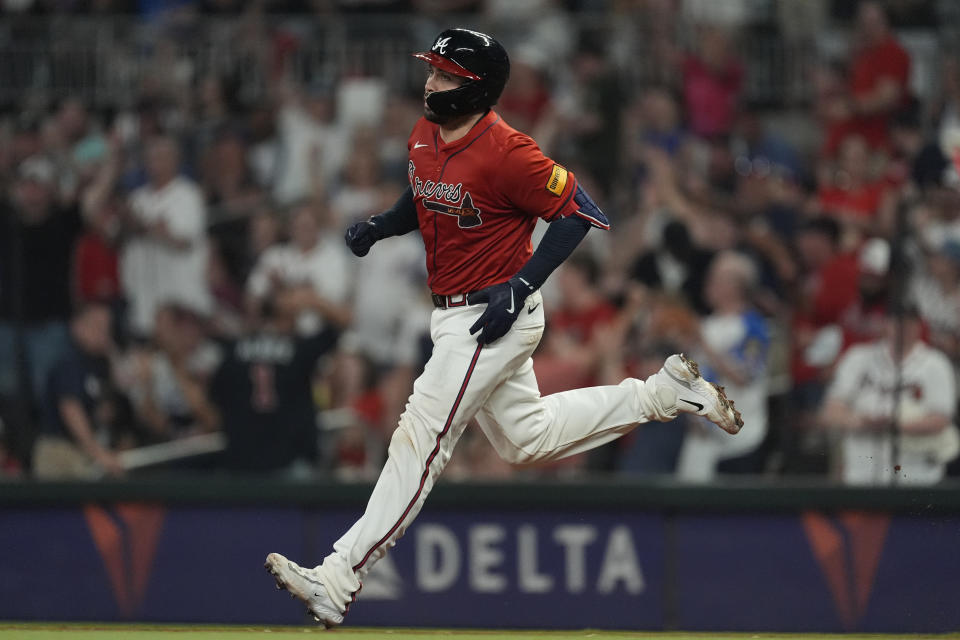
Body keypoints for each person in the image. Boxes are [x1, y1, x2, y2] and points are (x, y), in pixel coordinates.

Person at [264, 28, 742, 628]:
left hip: (493, 313)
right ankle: (659, 394)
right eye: (432, 71)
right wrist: (382, 226)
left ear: (476, 87)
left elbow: (580, 213)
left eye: (444, 75)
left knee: (421, 435)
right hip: (452, 312)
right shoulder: (424, 134)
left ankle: (339, 576)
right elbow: (425, 195)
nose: (430, 82)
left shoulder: (509, 149)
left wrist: (521, 287)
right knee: (526, 440)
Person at [819, 304, 958, 485]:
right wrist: (862, 421)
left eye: (908, 322)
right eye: (897, 321)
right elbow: (830, 412)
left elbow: (940, 420)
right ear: (886, 323)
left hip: (917, 473)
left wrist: (892, 424)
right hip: (861, 471)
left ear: (918, 325)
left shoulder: (935, 363)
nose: (902, 327)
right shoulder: (858, 358)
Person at [32, 302, 124, 479]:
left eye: (107, 327)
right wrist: (97, 452)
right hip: (60, 451)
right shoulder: (69, 362)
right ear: (78, 326)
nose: (103, 332)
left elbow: (107, 409)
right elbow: (71, 410)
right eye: (97, 326)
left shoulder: (100, 364)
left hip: (87, 447)